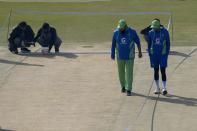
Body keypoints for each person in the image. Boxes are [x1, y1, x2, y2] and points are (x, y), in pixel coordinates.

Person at [111, 19, 142, 96]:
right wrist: (112, 54)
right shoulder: (116, 33)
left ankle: (129, 89)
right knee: (121, 72)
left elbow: (138, 42)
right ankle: (123, 86)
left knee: (129, 73)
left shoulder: (132, 32)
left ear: (125, 26)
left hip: (130, 57)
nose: (120, 29)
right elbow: (113, 44)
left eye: (122, 28)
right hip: (119, 56)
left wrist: (140, 52)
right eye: (119, 28)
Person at [147, 19, 170, 95]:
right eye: (152, 27)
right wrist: (150, 53)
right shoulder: (150, 33)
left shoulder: (165, 32)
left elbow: (168, 43)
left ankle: (164, 88)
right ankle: (157, 88)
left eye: (154, 27)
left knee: (163, 70)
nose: (153, 28)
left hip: (162, 55)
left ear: (158, 26)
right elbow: (149, 43)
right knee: (155, 70)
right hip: (154, 55)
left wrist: (166, 53)